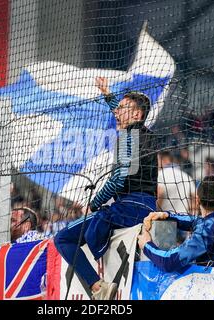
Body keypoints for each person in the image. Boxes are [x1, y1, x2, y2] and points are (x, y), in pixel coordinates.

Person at [54, 77, 158, 300]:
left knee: (62, 238)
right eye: (117, 108)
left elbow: (118, 180)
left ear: (137, 115)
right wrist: (108, 96)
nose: (117, 113)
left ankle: (98, 287)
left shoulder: (128, 138)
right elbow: (121, 113)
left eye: (122, 108)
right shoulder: (143, 134)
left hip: (129, 207)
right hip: (146, 204)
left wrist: (93, 204)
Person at [138, 175, 214, 273]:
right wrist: (167, 215)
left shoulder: (206, 230)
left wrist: (146, 245)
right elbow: (196, 220)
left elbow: (169, 262)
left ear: (197, 200)